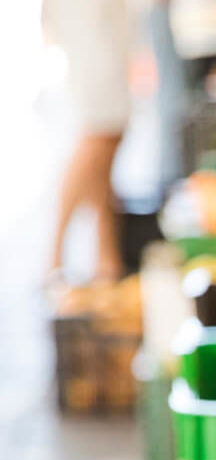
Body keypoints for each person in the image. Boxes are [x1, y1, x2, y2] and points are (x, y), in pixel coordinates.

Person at [44, 0, 133, 284]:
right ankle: (56, 255)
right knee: (99, 134)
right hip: (93, 30)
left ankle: (106, 258)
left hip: (104, 26)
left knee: (106, 143)